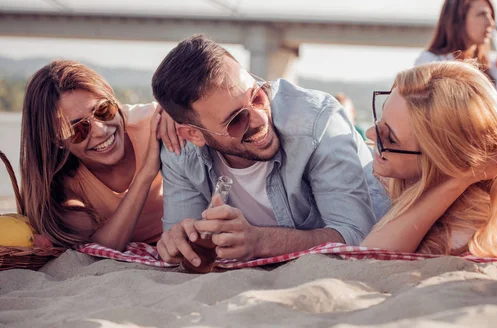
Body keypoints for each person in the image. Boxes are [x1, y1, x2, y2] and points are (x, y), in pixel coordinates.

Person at [152, 34, 380, 268]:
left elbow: (356, 237)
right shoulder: (179, 149)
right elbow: (186, 246)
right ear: (194, 135)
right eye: (236, 120)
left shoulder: (317, 122)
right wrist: (178, 242)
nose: (260, 117)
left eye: (258, 96)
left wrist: (260, 241)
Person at [361, 61, 497, 257]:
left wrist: (458, 181)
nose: (370, 133)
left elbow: (370, 255)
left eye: (390, 138)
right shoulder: (382, 177)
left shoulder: (471, 219)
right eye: (380, 118)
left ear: (441, 160)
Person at [18, 60, 182, 251]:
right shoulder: (61, 184)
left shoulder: (155, 122)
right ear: (57, 140)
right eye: (78, 128)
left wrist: (178, 109)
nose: (101, 130)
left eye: (103, 110)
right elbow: (103, 246)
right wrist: (146, 174)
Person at [415, 0, 497, 99]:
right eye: (482, 14)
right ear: (458, 19)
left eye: (491, 15)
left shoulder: (493, 68)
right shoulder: (430, 62)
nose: (491, 23)